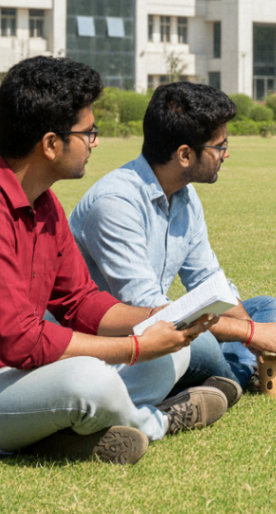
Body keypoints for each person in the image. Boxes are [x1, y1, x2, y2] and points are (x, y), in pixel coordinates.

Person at [0, 57, 228, 465]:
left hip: (26, 376)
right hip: (12, 373)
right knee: (88, 379)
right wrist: (134, 347)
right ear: (52, 144)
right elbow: (20, 339)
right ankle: (155, 421)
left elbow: (80, 301)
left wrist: (162, 316)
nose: (96, 142)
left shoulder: (45, 203)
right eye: (89, 133)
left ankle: (63, 437)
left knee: (172, 350)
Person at [70, 82, 276, 402]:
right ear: (184, 154)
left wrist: (255, 329)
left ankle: (232, 374)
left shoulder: (184, 195)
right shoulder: (115, 204)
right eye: (219, 146)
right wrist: (252, 334)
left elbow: (209, 280)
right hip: (120, 342)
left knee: (268, 308)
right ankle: (240, 373)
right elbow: (152, 317)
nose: (227, 154)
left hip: (165, 324)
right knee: (203, 342)